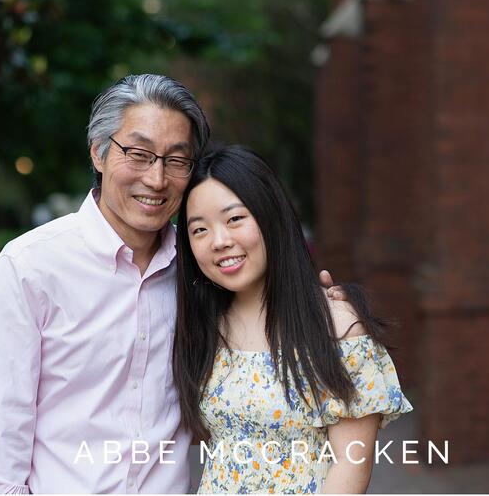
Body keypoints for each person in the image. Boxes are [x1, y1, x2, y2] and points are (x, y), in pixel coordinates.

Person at [0, 74, 344, 493]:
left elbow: (261, 318)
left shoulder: (203, 270)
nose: (157, 179)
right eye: (139, 154)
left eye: (177, 160)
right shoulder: (31, 267)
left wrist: (315, 305)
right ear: (99, 154)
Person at [173, 145, 413, 494]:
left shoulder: (336, 326)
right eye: (199, 230)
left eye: (235, 219)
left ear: (270, 217)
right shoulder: (207, 326)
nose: (220, 241)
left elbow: (351, 465)